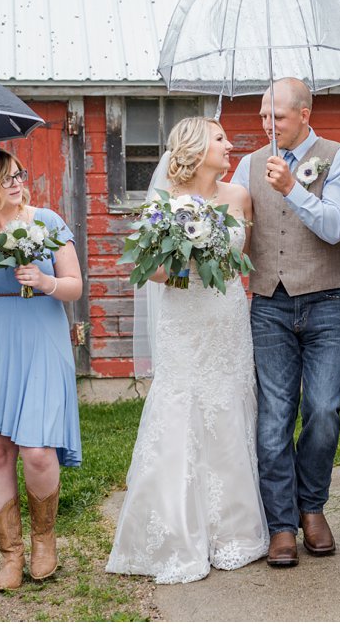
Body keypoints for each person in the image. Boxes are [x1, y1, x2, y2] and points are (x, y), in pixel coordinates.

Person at [107, 117, 268, 583]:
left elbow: (244, 261)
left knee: (229, 409)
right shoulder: (165, 204)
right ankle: (177, 530)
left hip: (228, 316)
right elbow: (151, 272)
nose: (228, 144)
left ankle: (234, 531)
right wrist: (190, 268)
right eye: (220, 139)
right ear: (196, 150)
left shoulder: (238, 197)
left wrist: (214, 262)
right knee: (181, 412)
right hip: (184, 318)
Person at [230, 77, 340, 567]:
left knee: (324, 409)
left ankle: (312, 505)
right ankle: (282, 523)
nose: (268, 125)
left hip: (328, 300)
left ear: (305, 113)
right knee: (275, 416)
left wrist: (292, 189)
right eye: (263, 117)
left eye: (276, 117)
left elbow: (335, 227)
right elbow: (233, 227)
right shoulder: (247, 164)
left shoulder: (338, 156)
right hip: (269, 303)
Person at [0, 145, 83, 590]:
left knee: (38, 449)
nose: (17, 183)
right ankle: (10, 554)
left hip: (40, 335)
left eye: (19, 174)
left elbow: (75, 286)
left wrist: (46, 282)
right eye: (7, 177)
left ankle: (44, 539)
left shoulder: (47, 222)